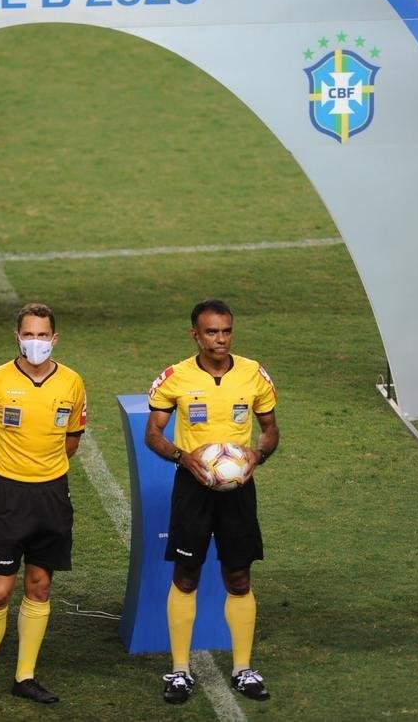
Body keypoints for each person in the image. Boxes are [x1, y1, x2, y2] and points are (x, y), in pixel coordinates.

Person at [145, 299, 280, 704]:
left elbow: (271, 430)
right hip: (193, 488)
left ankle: (243, 669)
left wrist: (258, 454)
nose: (220, 339)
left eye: (226, 331)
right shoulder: (175, 378)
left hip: (238, 490)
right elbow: (154, 434)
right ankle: (180, 671)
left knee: (239, 577)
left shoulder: (254, 374)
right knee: (187, 575)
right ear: (195, 335)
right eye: (211, 332)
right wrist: (180, 456)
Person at [0, 303, 87, 711]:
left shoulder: (72, 383)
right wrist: (1, 472)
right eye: (28, 334)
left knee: (40, 585)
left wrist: (44, 471)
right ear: (17, 337)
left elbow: (72, 440)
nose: (36, 342)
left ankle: (25, 676)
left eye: (43, 335)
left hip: (51, 495)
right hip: (7, 496)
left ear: (55, 338)